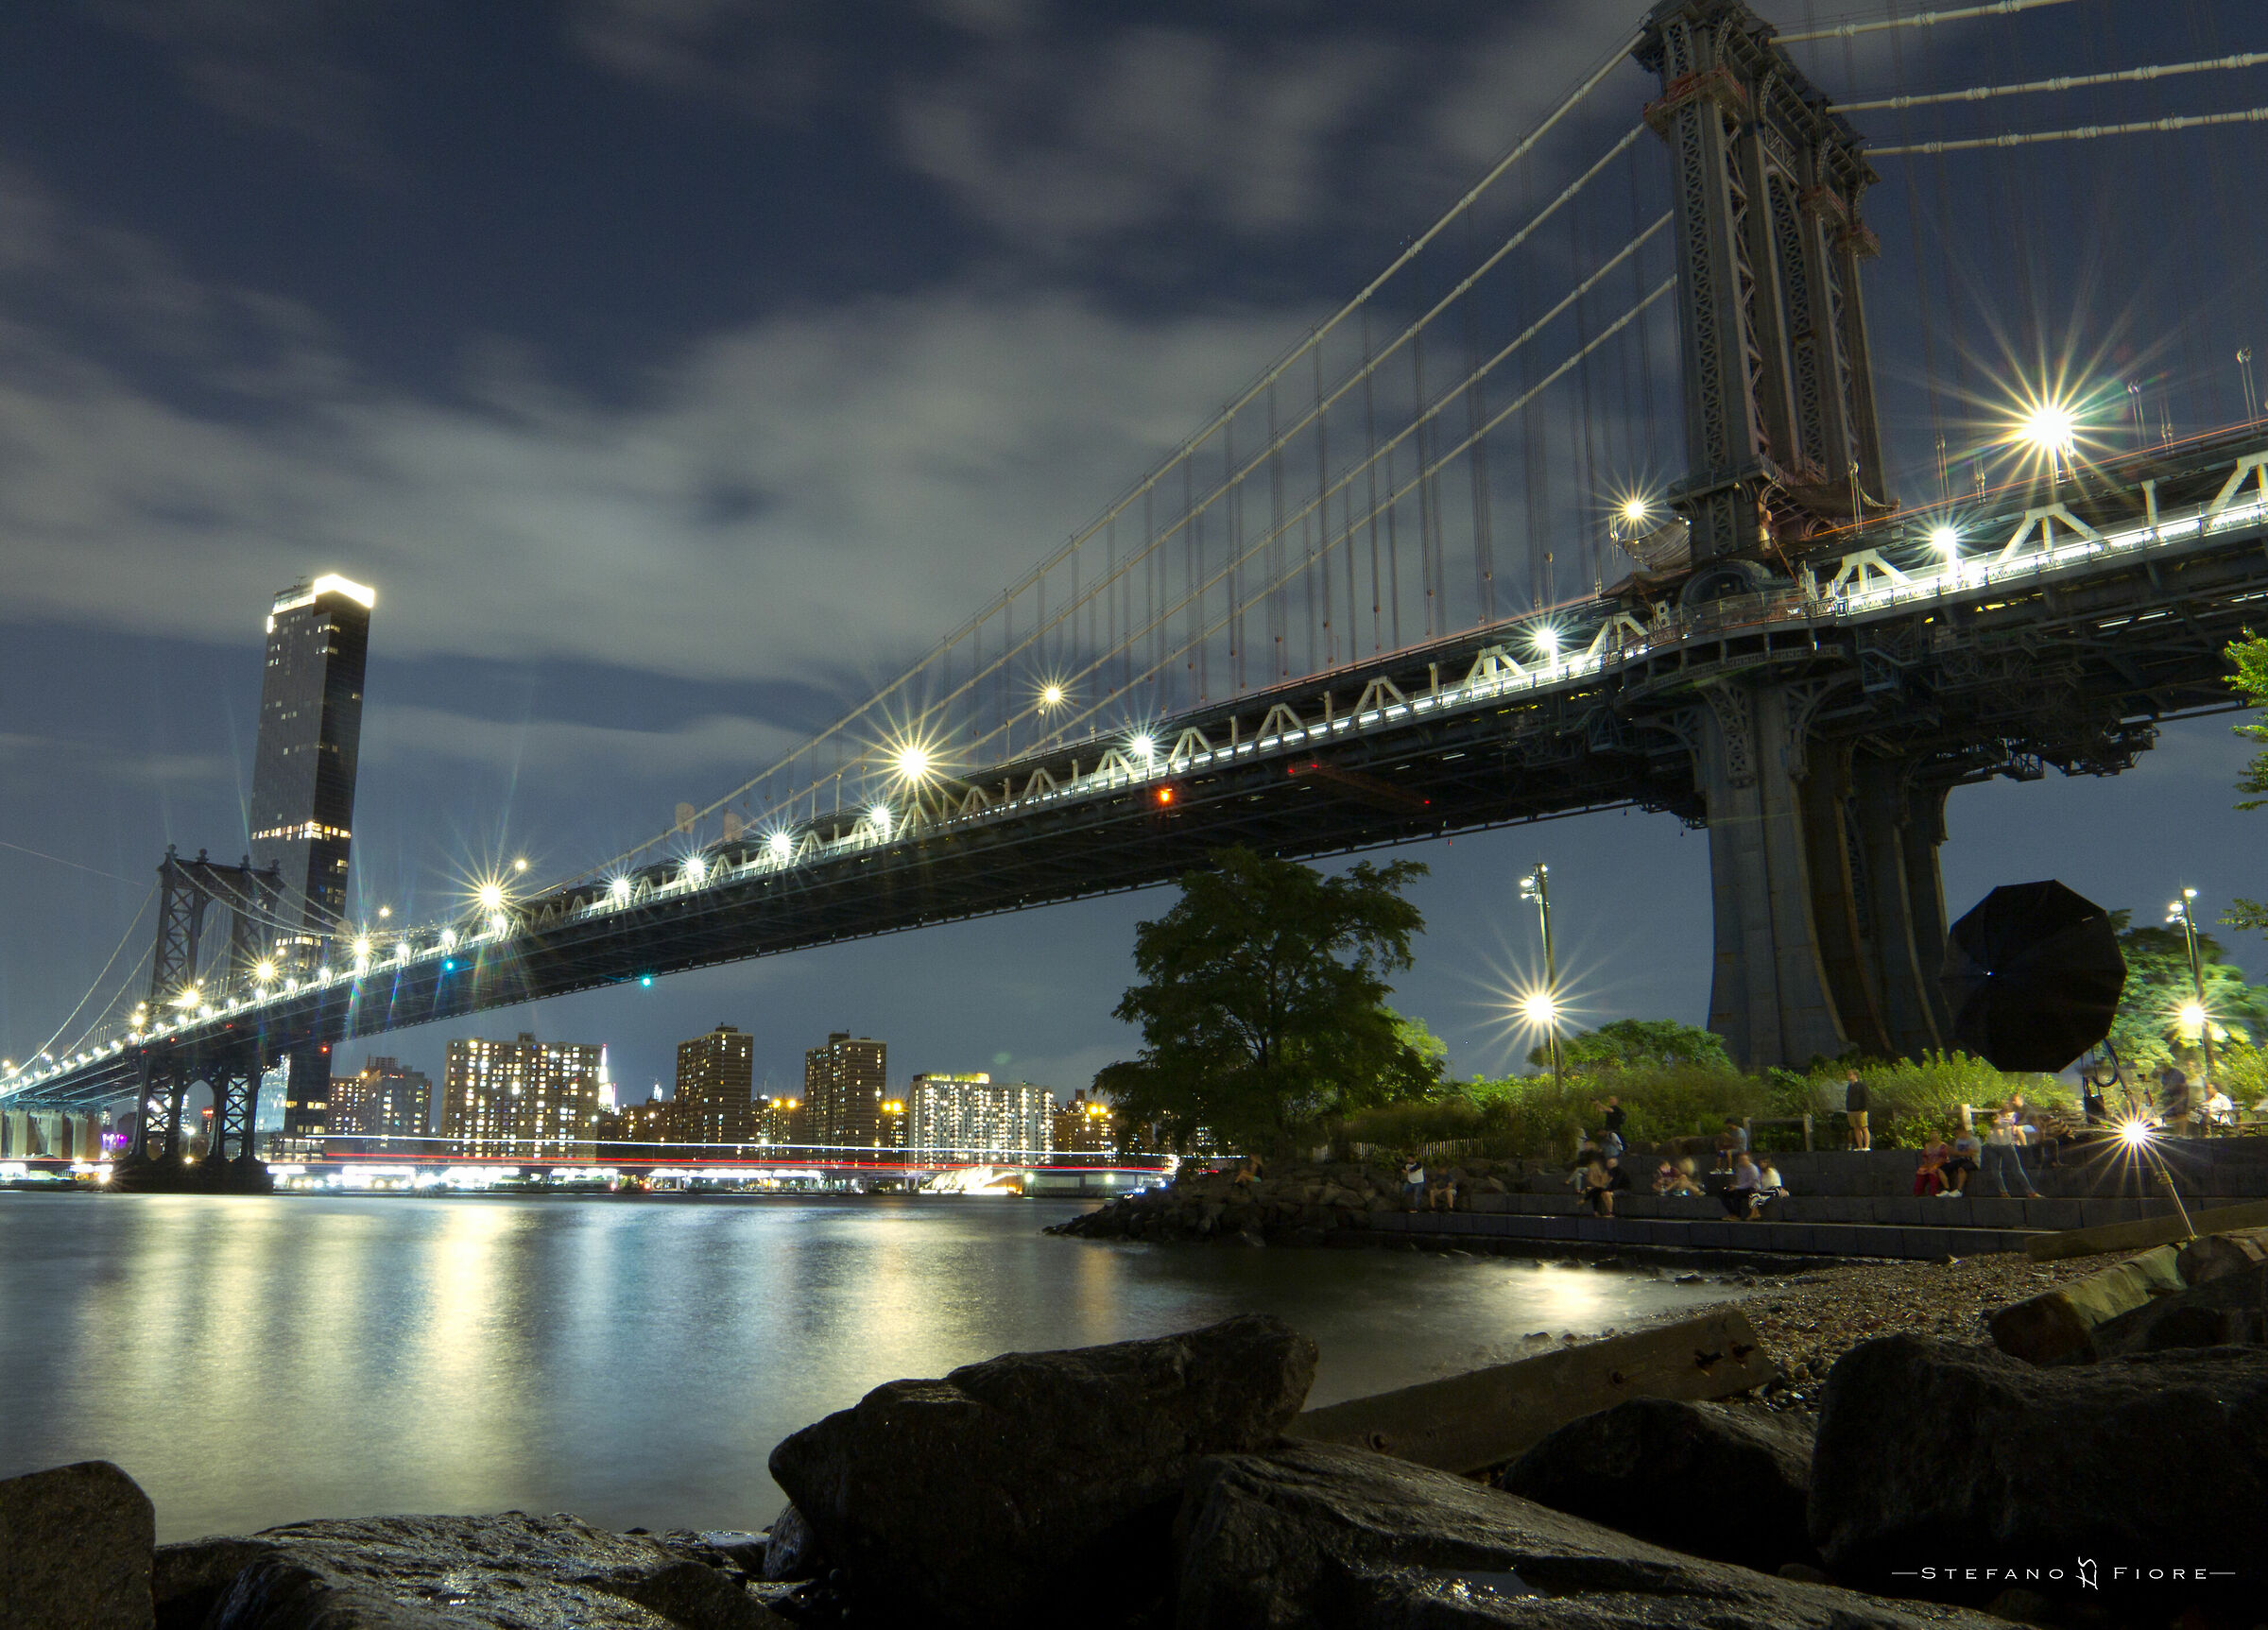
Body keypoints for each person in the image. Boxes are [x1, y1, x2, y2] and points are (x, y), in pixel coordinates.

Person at [1983, 1101, 2042, 1199]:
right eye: (2005, 1104)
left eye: (2008, 1104)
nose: (2006, 1105)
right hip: (1992, 1144)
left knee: (2016, 1169)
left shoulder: (2015, 1115)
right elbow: (1990, 1126)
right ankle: (2003, 1192)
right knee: (1995, 1170)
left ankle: (2030, 1192)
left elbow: (2014, 1126)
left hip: (2006, 1144)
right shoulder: (1994, 1115)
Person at [1722, 1152, 1762, 1219]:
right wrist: (1734, 1186)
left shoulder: (1753, 1169)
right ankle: (1732, 1213)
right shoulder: (1739, 1168)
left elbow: (1751, 1183)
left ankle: (1737, 1215)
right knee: (1723, 1193)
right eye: (1741, 1160)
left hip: (1753, 1188)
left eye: (1744, 1160)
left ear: (1748, 1160)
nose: (1742, 1161)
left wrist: (1737, 1187)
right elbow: (1740, 1181)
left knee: (1737, 1194)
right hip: (1741, 1188)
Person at [1942, 1126, 1982, 1196]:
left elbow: (1969, 1154)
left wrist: (1956, 1152)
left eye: (1958, 1133)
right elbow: (1957, 1154)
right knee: (1943, 1168)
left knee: (1962, 1168)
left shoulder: (1974, 1141)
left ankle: (1959, 1190)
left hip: (1973, 1161)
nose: (1957, 1135)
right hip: (1961, 1159)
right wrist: (1951, 1152)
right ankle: (1946, 1189)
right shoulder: (1958, 1141)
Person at [1578, 1152, 1614, 1216]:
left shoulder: (1609, 1170)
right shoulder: (1599, 1169)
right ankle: (1595, 1211)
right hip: (1603, 1186)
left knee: (1597, 1190)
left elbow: (1609, 1181)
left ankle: (1587, 1201)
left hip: (1611, 1186)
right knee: (1597, 1191)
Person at [1844, 1068, 1871, 1152]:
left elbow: (1866, 1097)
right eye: (1848, 1075)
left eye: (1850, 1074)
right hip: (1852, 1111)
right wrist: (1848, 1108)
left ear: (1855, 1075)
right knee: (1855, 1128)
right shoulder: (1849, 1087)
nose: (1849, 1076)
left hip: (1860, 1110)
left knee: (1864, 1127)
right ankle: (1860, 1146)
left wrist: (1863, 1108)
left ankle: (1866, 1146)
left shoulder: (1861, 1085)